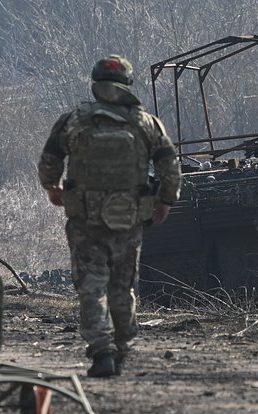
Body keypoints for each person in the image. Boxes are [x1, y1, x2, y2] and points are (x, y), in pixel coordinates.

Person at [38, 54, 181, 378]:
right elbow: (170, 167)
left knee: (91, 285)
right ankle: (123, 347)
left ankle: (102, 351)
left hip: (85, 221)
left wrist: (52, 188)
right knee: (123, 286)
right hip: (128, 220)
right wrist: (165, 202)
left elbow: (49, 160)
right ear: (127, 84)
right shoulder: (146, 123)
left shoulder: (74, 120)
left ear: (96, 83)